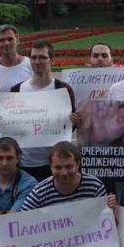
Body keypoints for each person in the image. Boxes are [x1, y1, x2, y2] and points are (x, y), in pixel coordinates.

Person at [5, 41, 78, 180]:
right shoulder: (17, 90)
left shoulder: (62, 89)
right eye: (34, 57)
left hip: (53, 164)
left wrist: (74, 121)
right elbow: (8, 124)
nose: (37, 61)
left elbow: (70, 126)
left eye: (42, 57)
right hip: (24, 163)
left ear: (52, 60)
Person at [17, 141, 117, 212]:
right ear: (51, 168)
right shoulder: (39, 193)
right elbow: (22, 221)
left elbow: (107, 223)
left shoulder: (95, 186)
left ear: (78, 164)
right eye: (58, 167)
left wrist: (110, 210)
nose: (64, 173)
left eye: (68, 166)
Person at [0, 24, 34, 92]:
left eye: (10, 39)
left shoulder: (31, 64)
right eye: (2, 40)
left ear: (17, 40)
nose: (6, 43)